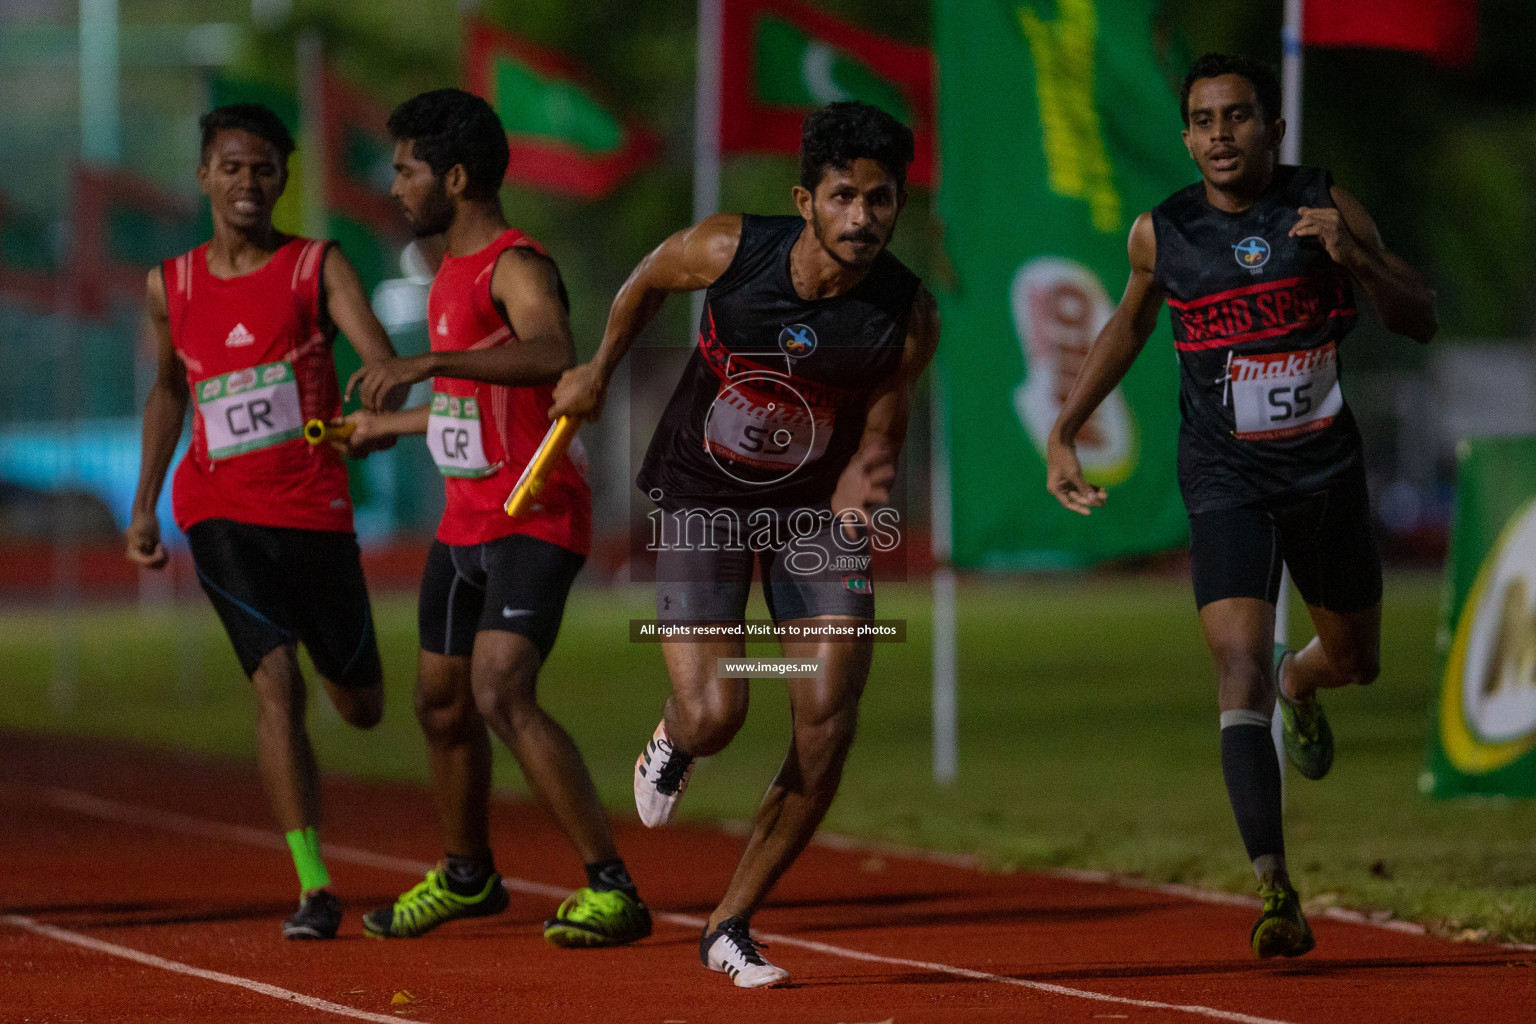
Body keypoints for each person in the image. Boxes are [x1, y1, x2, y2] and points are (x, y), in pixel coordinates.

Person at [1045, 53, 1437, 959]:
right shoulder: (1164, 231)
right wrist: (1066, 427)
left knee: (1357, 660)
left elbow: (1418, 314)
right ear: (1186, 137)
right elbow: (1131, 323)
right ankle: (1275, 890)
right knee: (1234, 670)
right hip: (1226, 481)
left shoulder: (1324, 205)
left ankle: (1304, 678)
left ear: (1274, 129)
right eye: (1205, 121)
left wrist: (1356, 257)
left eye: (1238, 117)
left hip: (1325, 478)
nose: (1220, 135)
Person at [549, 100, 940, 987]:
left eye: (881, 201)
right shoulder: (731, 248)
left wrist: (864, 480)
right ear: (805, 200)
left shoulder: (905, 316)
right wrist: (600, 370)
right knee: (718, 713)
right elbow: (646, 279)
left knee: (830, 708)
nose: (862, 219)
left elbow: (886, 422)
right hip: (703, 498)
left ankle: (731, 923)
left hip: (811, 515)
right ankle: (678, 735)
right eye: (844, 197)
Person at [342, 88, 651, 948]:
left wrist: (428, 359)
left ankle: (612, 887)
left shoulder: (516, 264)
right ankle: (468, 876)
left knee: (500, 690)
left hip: (534, 515)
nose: (396, 187)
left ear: (457, 175)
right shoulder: (445, 271)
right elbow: (473, 398)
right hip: (464, 523)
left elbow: (555, 354)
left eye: (406, 171)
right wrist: (391, 424)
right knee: (439, 705)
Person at [125, 103, 406, 940]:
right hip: (219, 510)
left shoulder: (315, 268)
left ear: (283, 180)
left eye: (265, 170)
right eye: (233, 167)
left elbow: (381, 359)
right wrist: (145, 506)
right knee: (274, 685)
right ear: (205, 174)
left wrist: (381, 404)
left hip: (314, 512)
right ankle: (315, 887)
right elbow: (171, 390)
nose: (249, 183)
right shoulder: (167, 284)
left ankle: (334, 674)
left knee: (359, 705)